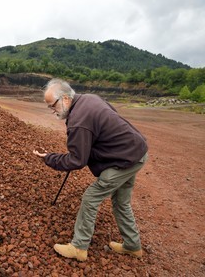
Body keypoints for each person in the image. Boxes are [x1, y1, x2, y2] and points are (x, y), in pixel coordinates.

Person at [33, 78, 148, 262]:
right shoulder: (88, 99)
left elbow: (77, 160)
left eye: (52, 105)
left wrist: (49, 158)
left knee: (90, 197)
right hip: (136, 152)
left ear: (65, 99)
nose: (51, 110)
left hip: (124, 160)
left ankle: (79, 247)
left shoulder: (78, 120)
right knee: (121, 201)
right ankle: (133, 246)